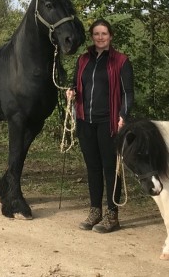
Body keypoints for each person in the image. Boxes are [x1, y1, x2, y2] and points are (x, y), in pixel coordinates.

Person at [65, 18, 134, 233]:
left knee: (111, 168)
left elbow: (128, 93)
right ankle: (95, 211)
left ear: (110, 36)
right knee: (93, 167)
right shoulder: (83, 59)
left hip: (110, 123)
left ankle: (112, 215)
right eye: (96, 34)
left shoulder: (121, 61)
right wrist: (71, 91)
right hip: (86, 121)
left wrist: (123, 114)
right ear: (92, 36)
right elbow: (76, 82)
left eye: (104, 33)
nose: (100, 37)